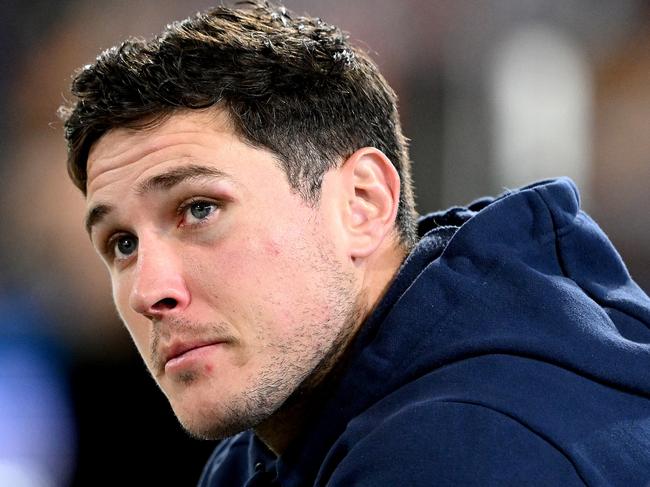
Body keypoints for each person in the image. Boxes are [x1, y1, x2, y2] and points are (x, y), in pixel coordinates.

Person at [59, 2, 650, 485]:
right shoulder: (269, 443)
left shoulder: (464, 453)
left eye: (199, 209)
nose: (148, 292)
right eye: (122, 244)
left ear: (361, 204)